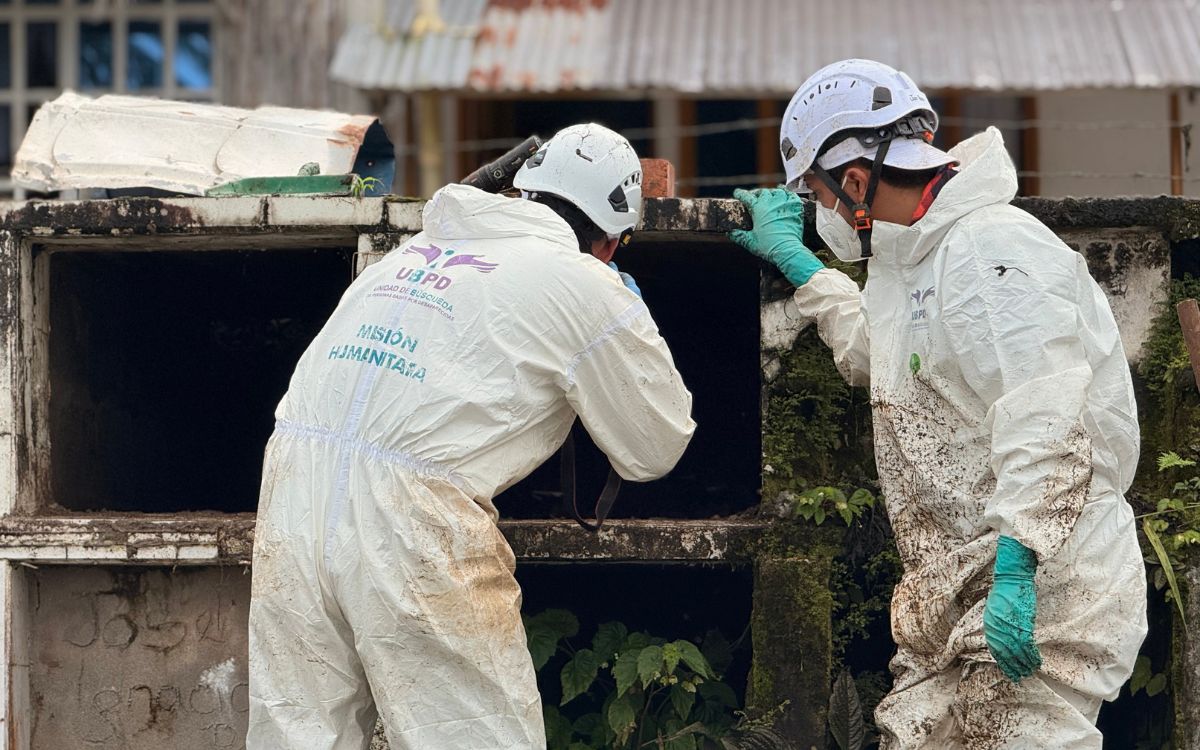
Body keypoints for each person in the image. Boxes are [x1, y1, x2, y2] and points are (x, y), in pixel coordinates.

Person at [731, 59, 1146, 748]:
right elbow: (887, 362)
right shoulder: (910, 258)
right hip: (952, 586)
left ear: (855, 182)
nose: (821, 213)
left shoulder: (992, 247)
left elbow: (1046, 418)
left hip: (1043, 580)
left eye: (818, 195)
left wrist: (1018, 565)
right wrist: (806, 271)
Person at [246, 123, 696, 750]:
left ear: (527, 191)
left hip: (292, 497)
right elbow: (655, 447)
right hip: (413, 520)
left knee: (299, 733)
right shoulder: (584, 280)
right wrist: (625, 313)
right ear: (612, 239)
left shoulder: (414, 252)